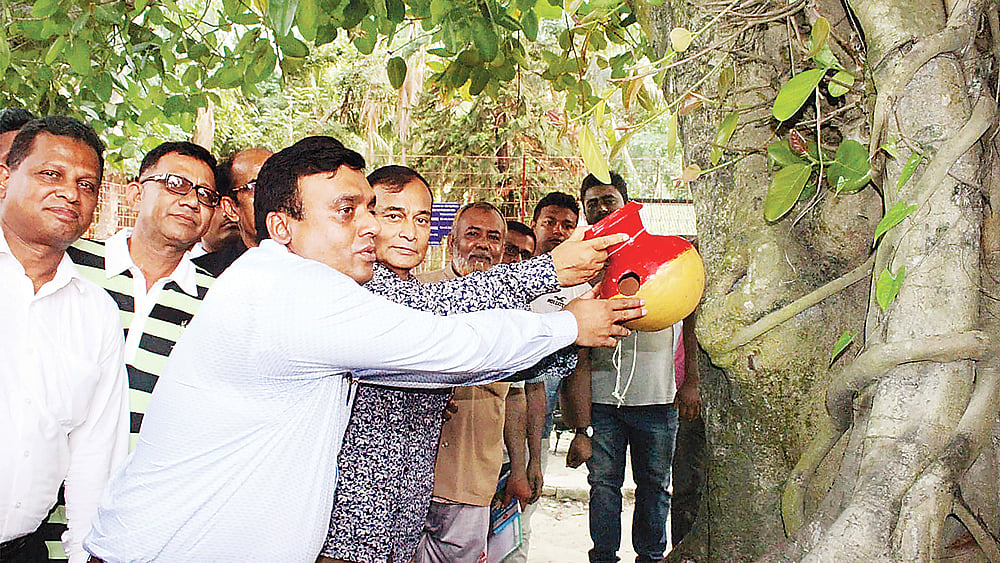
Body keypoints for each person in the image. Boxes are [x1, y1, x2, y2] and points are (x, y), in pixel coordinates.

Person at [83, 136, 645, 562]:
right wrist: (564, 320)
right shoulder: (292, 293)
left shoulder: (300, 284)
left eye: (371, 211)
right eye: (347, 211)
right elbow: (443, 342)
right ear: (281, 225)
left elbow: (429, 360)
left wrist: (564, 308)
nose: (371, 229)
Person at [321, 170, 619, 563]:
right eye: (393, 215)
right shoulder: (356, 285)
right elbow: (446, 318)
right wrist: (551, 276)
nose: (410, 232)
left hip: (404, 513)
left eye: (421, 218)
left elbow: (488, 360)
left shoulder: (411, 289)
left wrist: (572, 328)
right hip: (352, 524)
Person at [0, 116, 128, 563]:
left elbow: (95, 457)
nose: (71, 193)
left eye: (87, 184)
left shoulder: (95, 313)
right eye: (50, 174)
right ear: (5, 178)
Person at [565, 171, 702, 563]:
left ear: (625, 204)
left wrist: (690, 379)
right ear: (585, 211)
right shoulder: (585, 265)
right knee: (603, 486)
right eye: (592, 202)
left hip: (657, 399)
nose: (600, 208)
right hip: (605, 403)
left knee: (655, 487)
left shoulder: (661, 251)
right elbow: (579, 352)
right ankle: (603, 556)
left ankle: (651, 557)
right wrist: (580, 422)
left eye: (608, 200)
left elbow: (690, 314)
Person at [67, 141, 218, 448]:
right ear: (135, 194)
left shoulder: (216, 300)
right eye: (176, 184)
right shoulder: (72, 263)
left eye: (205, 195)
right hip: (45, 483)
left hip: (152, 486)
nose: (192, 201)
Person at [412, 203, 533, 563]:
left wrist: (521, 469)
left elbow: (515, 398)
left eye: (493, 237)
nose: (482, 245)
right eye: (473, 234)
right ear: (452, 241)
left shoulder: (515, 311)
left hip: (472, 481)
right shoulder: (418, 292)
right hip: (413, 478)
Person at [505, 192, 590, 563]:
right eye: (549, 222)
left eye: (567, 226)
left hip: (538, 407)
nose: (557, 231)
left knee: (521, 513)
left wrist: (581, 431)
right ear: (535, 222)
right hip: (487, 410)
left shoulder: (581, 290)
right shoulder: (500, 276)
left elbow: (579, 368)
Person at [192, 148, 272, 275]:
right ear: (231, 208)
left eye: (279, 186)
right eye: (255, 187)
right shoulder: (201, 276)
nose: (272, 196)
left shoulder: (311, 264)